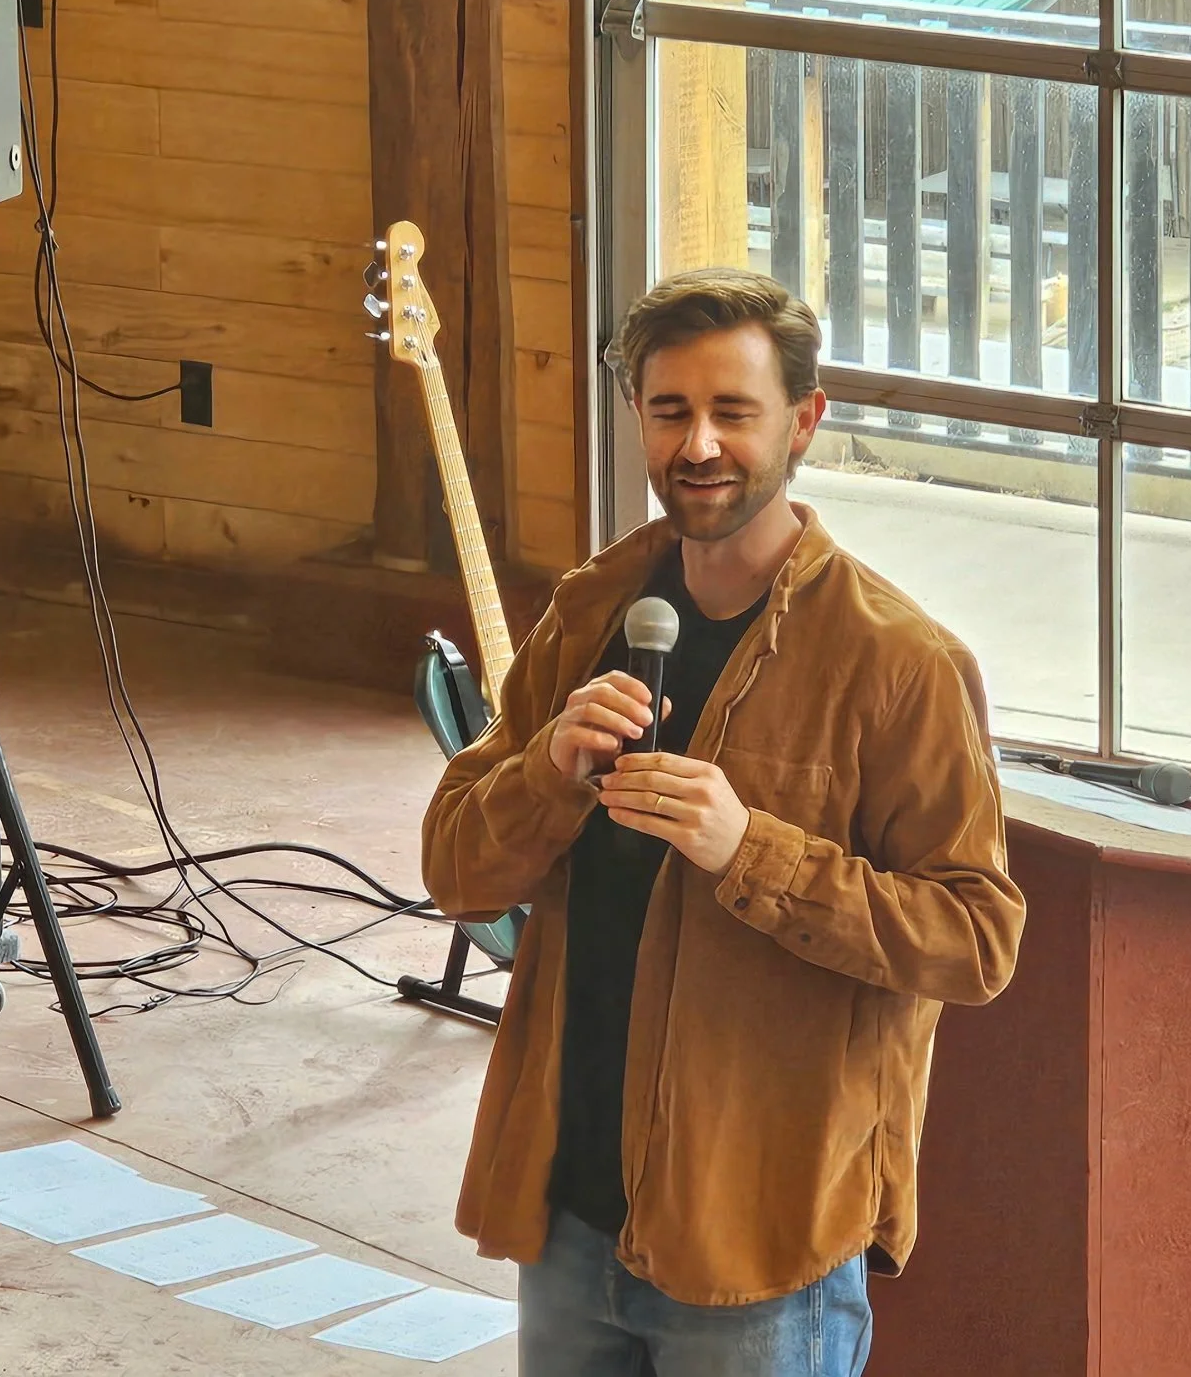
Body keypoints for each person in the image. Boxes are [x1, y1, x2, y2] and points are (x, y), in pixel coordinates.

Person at [422, 266, 1024, 1377]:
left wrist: (751, 849)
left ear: (803, 422)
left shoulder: (898, 663)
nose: (698, 444)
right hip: (564, 1211)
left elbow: (975, 938)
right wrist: (548, 767)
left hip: (758, 1239)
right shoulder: (593, 610)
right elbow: (456, 869)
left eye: (732, 411)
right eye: (670, 410)